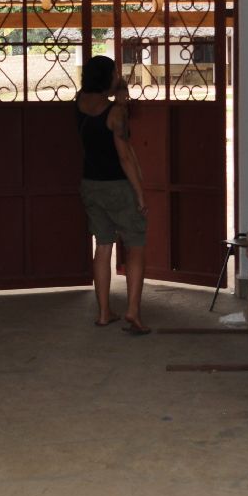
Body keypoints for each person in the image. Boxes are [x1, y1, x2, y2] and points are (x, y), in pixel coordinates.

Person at [76, 55, 150, 334]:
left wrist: (118, 97)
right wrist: (140, 194)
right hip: (118, 186)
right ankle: (133, 311)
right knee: (135, 245)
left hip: (90, 185)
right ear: (107, 77)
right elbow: (125, 157)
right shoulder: (115, 113)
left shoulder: (79, 102)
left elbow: (99, 101)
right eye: (115, 73)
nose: (118, 76)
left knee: (103, 246)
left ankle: (104, 313)